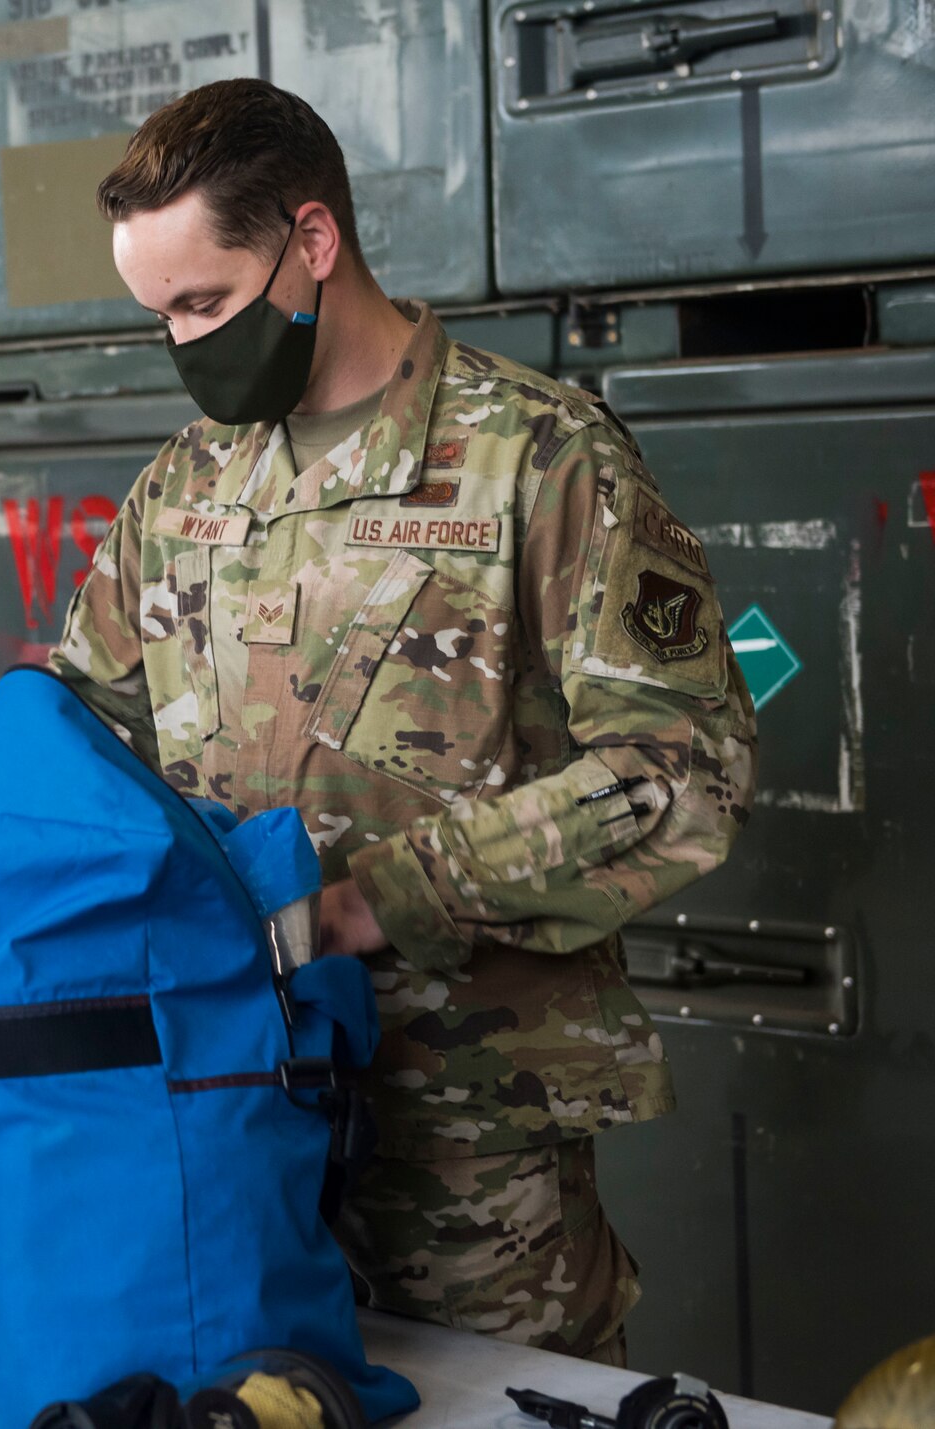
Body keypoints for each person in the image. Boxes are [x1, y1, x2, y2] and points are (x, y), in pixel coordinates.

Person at [49, 78, 756, 1365]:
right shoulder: (186, 484)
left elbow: (682, 766)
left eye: (201, 302)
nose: (180, 342)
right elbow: (74, 738)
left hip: (466, 1125)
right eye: (155, 315)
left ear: (309, 243)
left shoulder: (535, 457)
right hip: (227, 1097)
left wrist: (380, 899)